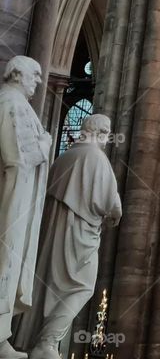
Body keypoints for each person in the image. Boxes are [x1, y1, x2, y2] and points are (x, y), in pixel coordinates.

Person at [14, 114, 121, 359]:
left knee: (48, 285)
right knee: (81, 287)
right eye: (106, 133)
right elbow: (110, 202)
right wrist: (116, 213)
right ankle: (47, 341)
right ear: (102, 133)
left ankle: (32, 339)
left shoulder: (64, 157)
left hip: (53, 233)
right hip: (79, 238)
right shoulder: (96, 158)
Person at [0, 56, 50, 359]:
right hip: (12, 202)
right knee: (5, 260)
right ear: (17, 74)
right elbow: (20, 157)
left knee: (8, 262)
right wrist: (45, 143)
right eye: (36, 74)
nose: (39, 81)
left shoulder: (20, 105)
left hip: (19, 199)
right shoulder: (12, 103)